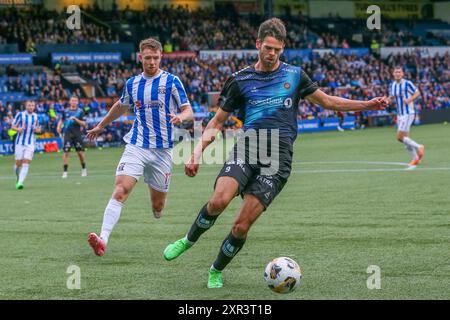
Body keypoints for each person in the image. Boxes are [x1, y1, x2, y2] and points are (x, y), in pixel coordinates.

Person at [163, 18, 389, 288]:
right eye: (268, 48)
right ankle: (188, 240)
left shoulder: (294, 75)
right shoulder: (240, 80)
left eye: (277, 50)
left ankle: (215, 270)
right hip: (248, 149)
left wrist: (367, 104)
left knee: (241, 226)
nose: (272, 54)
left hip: (277, 161)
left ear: (283, 49)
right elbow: (217, 122)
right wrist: (197, 152)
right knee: (218, 201)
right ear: (258, 44)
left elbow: (328, 101)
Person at [85, 38, 193, 256]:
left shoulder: (172, 81)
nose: (151, 62)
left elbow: (188, 110)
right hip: (137, 145)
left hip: (162, 151)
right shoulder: (133, 84)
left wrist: (181, 117)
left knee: (158, 207)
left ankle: (154, 199)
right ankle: (103, 238)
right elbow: (120, 106)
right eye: (147, 58)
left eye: (155, 57)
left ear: (161, 57)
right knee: (120, 190)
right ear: (140, 57)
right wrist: (100, 126)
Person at [388, 66, 424, 167]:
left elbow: (417, 93)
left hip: (408, 113)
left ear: (402, 74)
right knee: (405, 139)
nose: (397, 74)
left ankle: (419, 147)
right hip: (400, 114)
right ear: (393, 74)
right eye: (396, 72)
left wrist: (410, 100)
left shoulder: (407, 83)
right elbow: (392, 96)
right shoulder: (393, 85)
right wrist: (387, 100)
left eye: (399, 72)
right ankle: (415, 159)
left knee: (399, 137)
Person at [11, 100, 41, 189]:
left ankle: (20, 182)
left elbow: (38, 128)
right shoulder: (20, 115)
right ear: (26, 106)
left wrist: (37, 130)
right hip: (19, 142)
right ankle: (18, 177)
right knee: (18, 164)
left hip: (31, 142)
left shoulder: (36, 116)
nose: (31, 107)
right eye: (29, 105)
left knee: (26, 162)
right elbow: (12, 126)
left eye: (32, 105)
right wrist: (18, 129)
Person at [57, 96, 87, 178]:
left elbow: (84, 124)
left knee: (80, 153)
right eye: (72, 100)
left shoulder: (80, 111)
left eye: (75, 101)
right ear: (70, 102)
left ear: (77, 102)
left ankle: (84, 169)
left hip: (77, 134)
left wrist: (75, 119)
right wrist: (58, 126)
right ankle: (65, 172)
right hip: (67, 134)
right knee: (66, 152)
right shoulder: (65, 111)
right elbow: (61, 120)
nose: (74, 102)